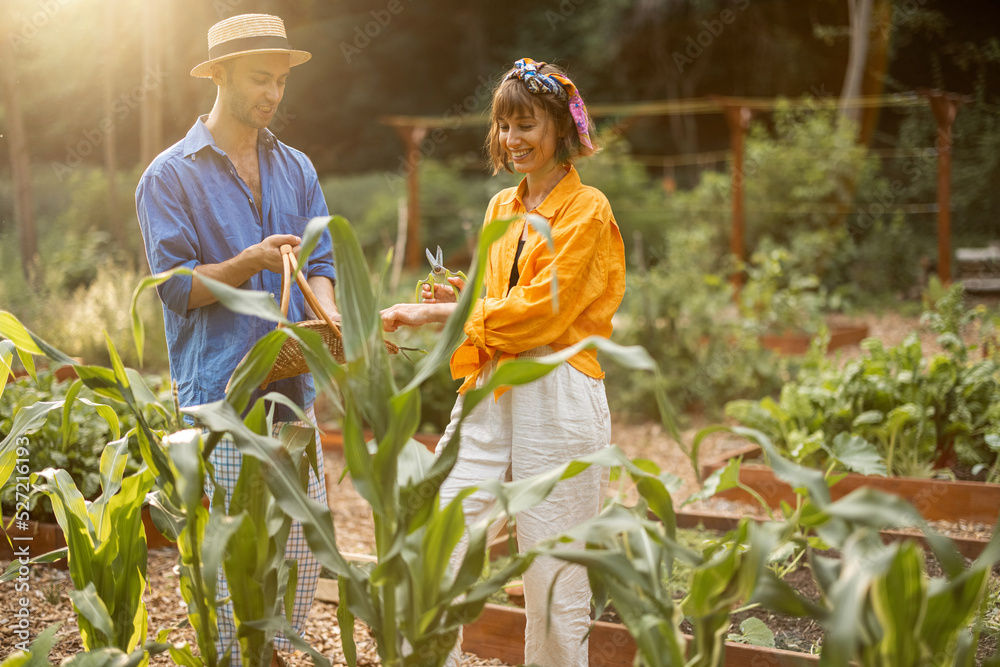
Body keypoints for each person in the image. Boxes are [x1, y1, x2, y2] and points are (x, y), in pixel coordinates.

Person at [381, 58, 626, 667]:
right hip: (493, 383)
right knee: (436, 530)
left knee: (553, 567)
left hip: (557, 385)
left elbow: (542, 311)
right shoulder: (500, 208)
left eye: (527, 125)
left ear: (560, 130)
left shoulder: (588, 209)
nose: (513, 140)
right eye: (504, 126)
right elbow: (500, 296)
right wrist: (459, 297)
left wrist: (439, 318)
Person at [135, 13, 336, 667]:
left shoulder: (298, 167)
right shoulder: (168, 176)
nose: (273, 94)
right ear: (217, 74)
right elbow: (176, 288)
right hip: (219, 402)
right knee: (227, 576)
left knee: (302, 552)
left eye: (280, 81)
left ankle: (272, 656)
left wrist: (327, 322)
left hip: (292, 394)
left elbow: (321, 263)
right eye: (259, 79)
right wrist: (250, 261)